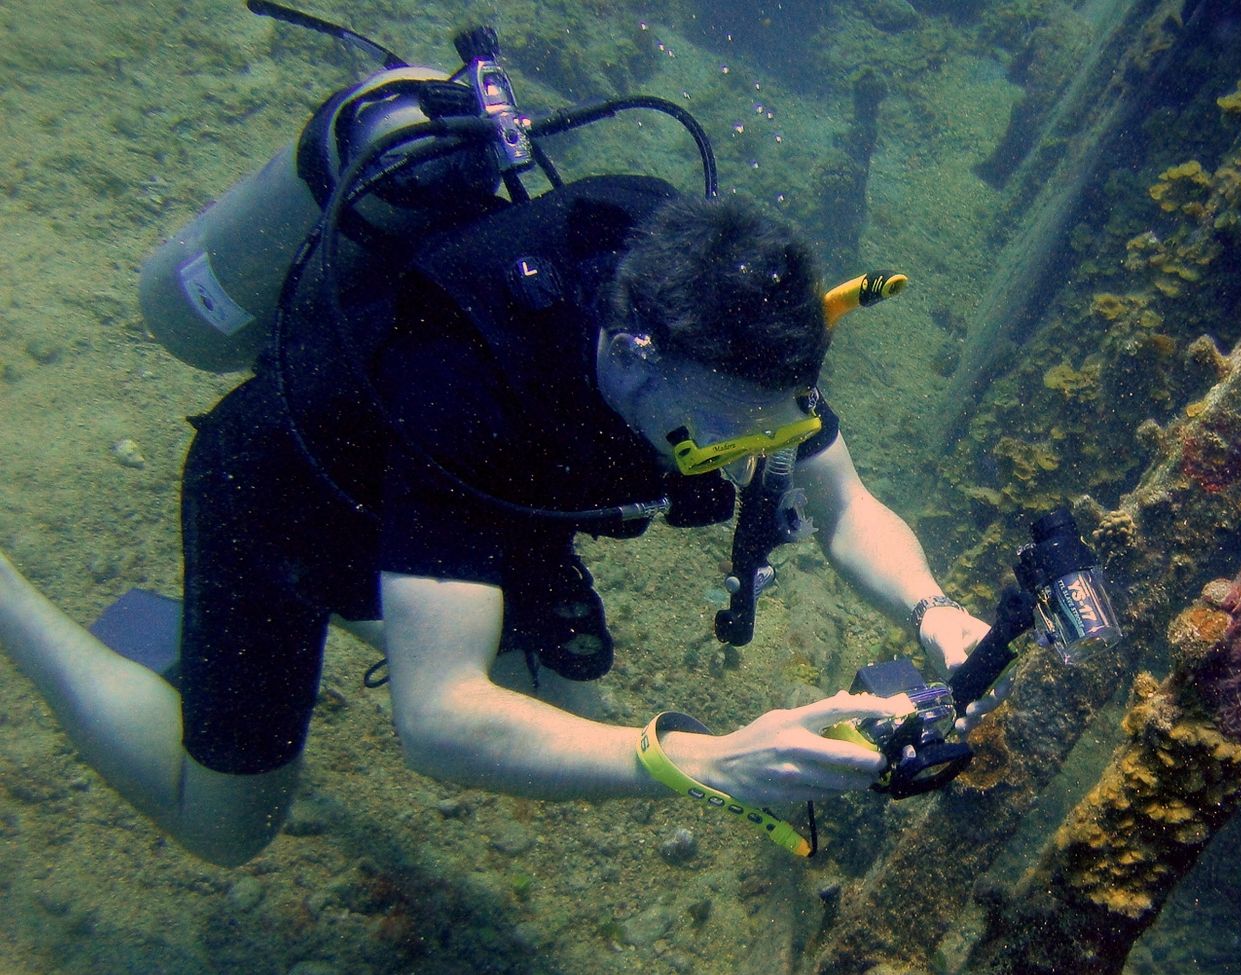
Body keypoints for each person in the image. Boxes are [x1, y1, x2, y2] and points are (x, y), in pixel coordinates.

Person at [0, 175, 990, 866]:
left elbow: (847, 503)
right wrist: (704, 762)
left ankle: (408, 610)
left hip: (468, 500)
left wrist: (933, 607)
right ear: (636, 352)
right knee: (226, 828)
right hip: (293, 502)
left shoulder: (723, 327)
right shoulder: (467, 384)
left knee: (571, 715)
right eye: (729, 431)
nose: (752, 451)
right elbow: (438, 729)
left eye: (781, 418)